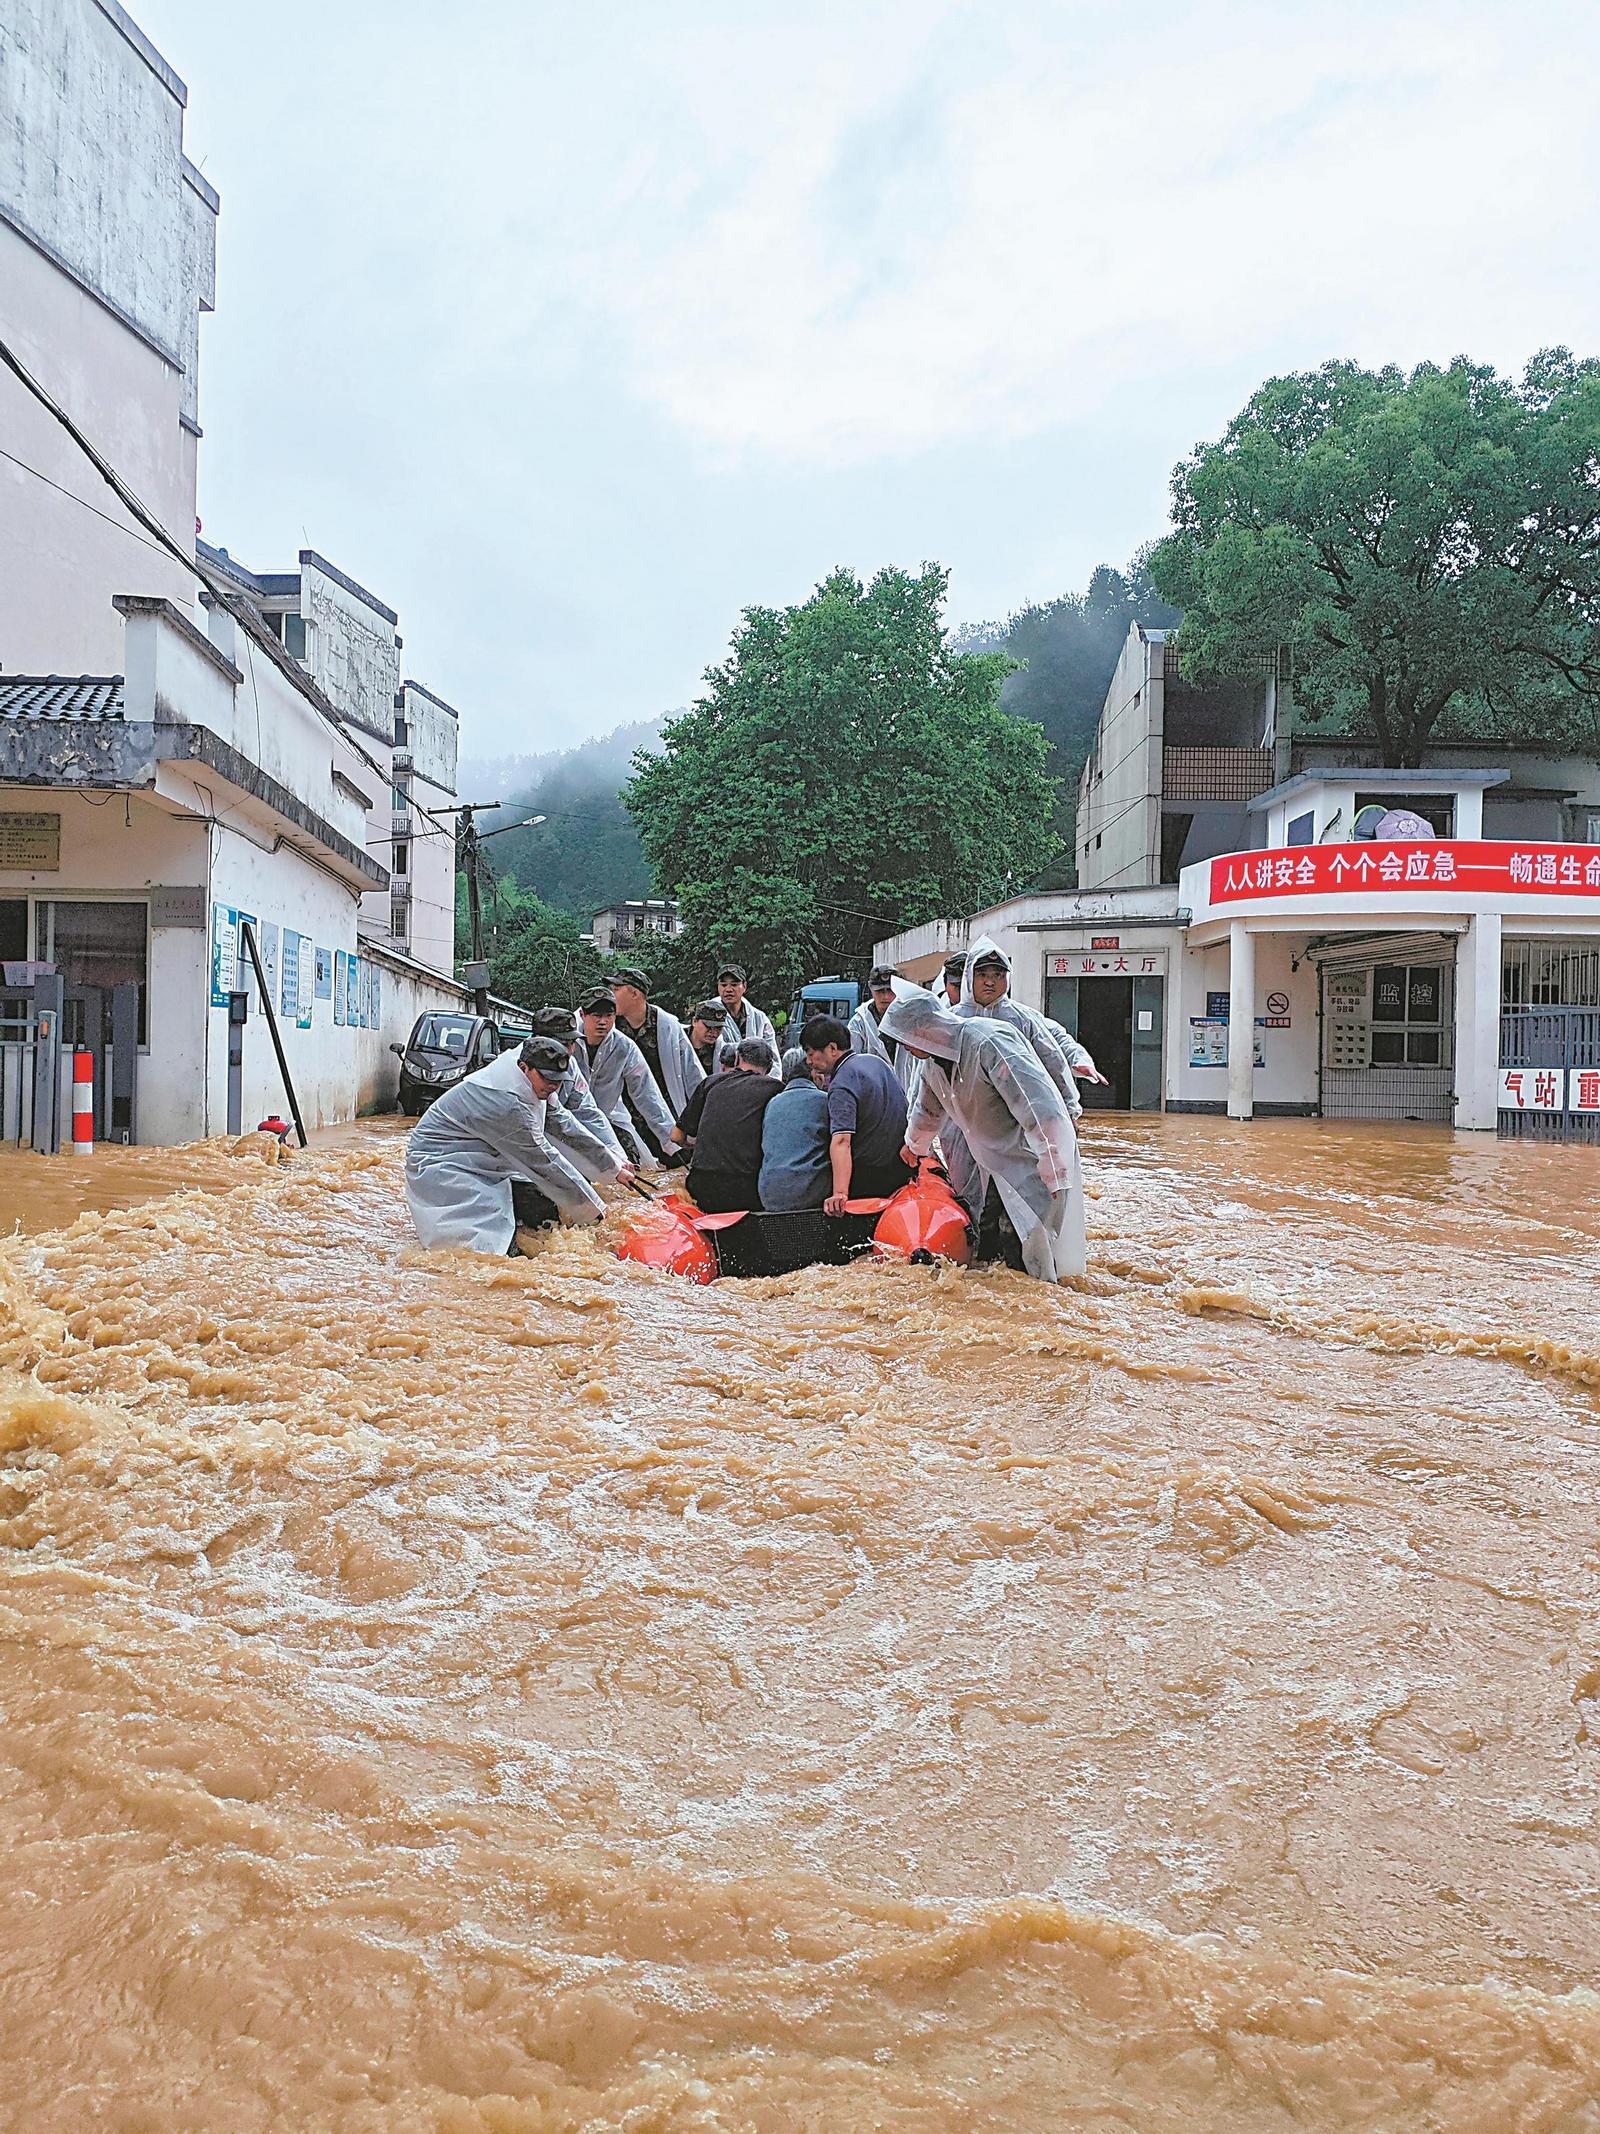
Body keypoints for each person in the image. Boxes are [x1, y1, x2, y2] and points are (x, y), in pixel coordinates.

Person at [881, 992, 1084, 1283]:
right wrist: (914, 1145)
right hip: (991, 1165)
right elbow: (927, 1110)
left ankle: (1040, 1312)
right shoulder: (933, 1064)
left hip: (1031, 1160)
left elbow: (1036, 1104)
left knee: (1030, 1246)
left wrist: (1053, 1163)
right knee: (988, 1243)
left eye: (906, 1040)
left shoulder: (988, 1043)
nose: (906, 1048)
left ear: (924, 1029)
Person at [404, 1035, 616, 1252]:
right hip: (445, 1165)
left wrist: (614, 1167)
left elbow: (563, 1126)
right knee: (487, 1251)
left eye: (558, 1080)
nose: (554, 1085)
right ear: (524, 1068)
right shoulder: (506, 1101)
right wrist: (595, 1211)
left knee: (544, 1212)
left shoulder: (531, 1083)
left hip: (484, 1160)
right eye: (547, 1078)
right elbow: (542, 1161)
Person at [959, 935, 1106, 1103]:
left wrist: (1078, 1060)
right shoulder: (953, 1019)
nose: (990, 982)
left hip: (1013, 1111)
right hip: (961, 1112)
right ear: (969, 976)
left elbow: (1054, 1052)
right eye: (982, 974)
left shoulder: (1024, 1019)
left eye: (998, 975)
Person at [800, 1014, 913, 1211]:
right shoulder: (876, 1062)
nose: (809, 1061)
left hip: (872, 1180)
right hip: (904, 1169)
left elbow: (842, 1141)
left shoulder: (841, 1084)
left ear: (832, 1049)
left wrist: (840, 1194)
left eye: (811, 1053)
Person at [673, 1036, 780, 1212]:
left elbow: (676, 1136)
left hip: (701, 1186)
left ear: (737, 1059)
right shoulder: (775, 1088)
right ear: (768, 1068)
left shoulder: (710, 1082)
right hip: (746, 1189)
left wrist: (696, 1145)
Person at [575, 989, 678, 1166]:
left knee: (632, 1164)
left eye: (609, 1015)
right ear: (583, 1014)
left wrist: (671, 1142)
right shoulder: (567, 1041)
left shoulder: (624, 1047)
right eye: (596, 1015)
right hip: (568, 1121)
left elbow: (647, 1094)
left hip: (609, 1119)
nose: (603, 1022)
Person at [530, 1005, 634, 1175]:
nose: (569, 1051)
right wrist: (609, 1161)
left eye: (572, 1043)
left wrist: (618, 1156)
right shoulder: (525, 1069)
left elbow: (588, 1112)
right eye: (563, 1044)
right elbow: (561, 1120)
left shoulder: (569, 1065)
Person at [611, 966, 704, 1147]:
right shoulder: (610, 1024)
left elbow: (692, 1071)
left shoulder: (667, 1025)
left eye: (616, 990)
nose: (611, 995)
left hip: (663, 1106)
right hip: (623, 1108)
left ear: (635, 993)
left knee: (673, 1158)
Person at [757, 1052, 833, 1213]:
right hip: (810, 1193)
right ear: (815, 1074)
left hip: (769, 1194)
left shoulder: (773, 1103)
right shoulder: (824, 1100)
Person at [848, 966, 920, 1094]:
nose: (885, 996)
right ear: (871, 989)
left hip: (908, 1090)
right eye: (880, 991)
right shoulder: (859, 1023)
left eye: (890, 990)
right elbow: (852, 1064)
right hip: (873, 1094)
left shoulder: (911, 1017)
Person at [714, 963, 778, 1057]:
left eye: (734, 985)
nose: (728, 989)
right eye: (723, 985)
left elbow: (773, 1056)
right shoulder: (709, 1013)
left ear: (744, 986)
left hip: (755, 1071)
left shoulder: (759, 1018)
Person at [687, 1000, 726, 1079]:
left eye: (719, 1028)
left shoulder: (722, 1051)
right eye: (708, 1026)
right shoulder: (677, 1042)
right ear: (694, 1021)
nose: (714, 1032)